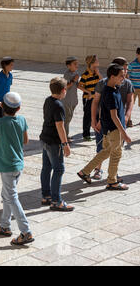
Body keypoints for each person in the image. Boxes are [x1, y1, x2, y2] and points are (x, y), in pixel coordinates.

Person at [0, 92, 34, 246]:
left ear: (3, 107)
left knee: (12, 197)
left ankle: (25, 231)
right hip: (18, 164)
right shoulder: (22, 120)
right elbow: (25, 140)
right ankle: (5, 226)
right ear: (19, 108)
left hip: (6, 165)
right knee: (6, 194)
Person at [77, 64, 131, 190]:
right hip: (114, 130)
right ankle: (112, 182)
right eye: (121, 76)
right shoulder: (111, 94)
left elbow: (102, 110)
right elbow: (114, 116)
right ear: (112, 76)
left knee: (106, 151)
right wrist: (124, 134)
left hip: (107, 129)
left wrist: (100, 121)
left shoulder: (108, 89)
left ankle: (85, 172)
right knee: (116, 154)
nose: (124, 78)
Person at [91, 57, 134, 180]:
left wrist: (127, 116)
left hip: (119, 122)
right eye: (123, 71)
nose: (125, 74)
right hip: (104, 122)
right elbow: (96, 102)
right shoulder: (103, 84)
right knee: (102, 148)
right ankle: (97, 169)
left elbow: (130, 101)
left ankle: (113, 174)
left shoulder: (127, 84)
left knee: (116, 150)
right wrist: (95, 120)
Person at [39, 77, 74, 211]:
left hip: (45, 138)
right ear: (64, 90)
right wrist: (65, 144)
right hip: (54, 142)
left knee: (46, 168)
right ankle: (56, 201)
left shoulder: (48, 100)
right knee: (59, 169)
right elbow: (60, 126)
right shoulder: (59, 105)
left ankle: (46, 196)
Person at [78, 55, 103, 141]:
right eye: (97, 60)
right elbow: (79, 85)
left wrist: (98, 73)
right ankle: (86, 134)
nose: (98, 61)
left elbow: (102, 82)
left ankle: (97, 131)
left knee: (97, 115)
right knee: (87, 116)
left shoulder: (97, 73)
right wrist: (88, 92)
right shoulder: (85, 74)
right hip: (88, 98)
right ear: (92, 62)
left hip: (96, 97)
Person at [61, 56, 80, 141]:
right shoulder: (67, 74)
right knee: (66, 119)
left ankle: (65, 135)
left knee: (69, 118)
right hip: (67, 101)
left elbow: (77, 85)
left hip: (73, 100)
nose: (77, 65)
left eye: (77, 64)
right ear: (69, 66)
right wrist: (74, 80)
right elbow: (66, 86)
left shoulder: (75, 73)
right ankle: (64, 137)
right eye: (75, 64)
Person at [127, 47, 140, 126]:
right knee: (130, 104)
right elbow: (128, 76)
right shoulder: (131, 64)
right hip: (133, 88)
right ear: (137, 54)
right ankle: (129, 121)